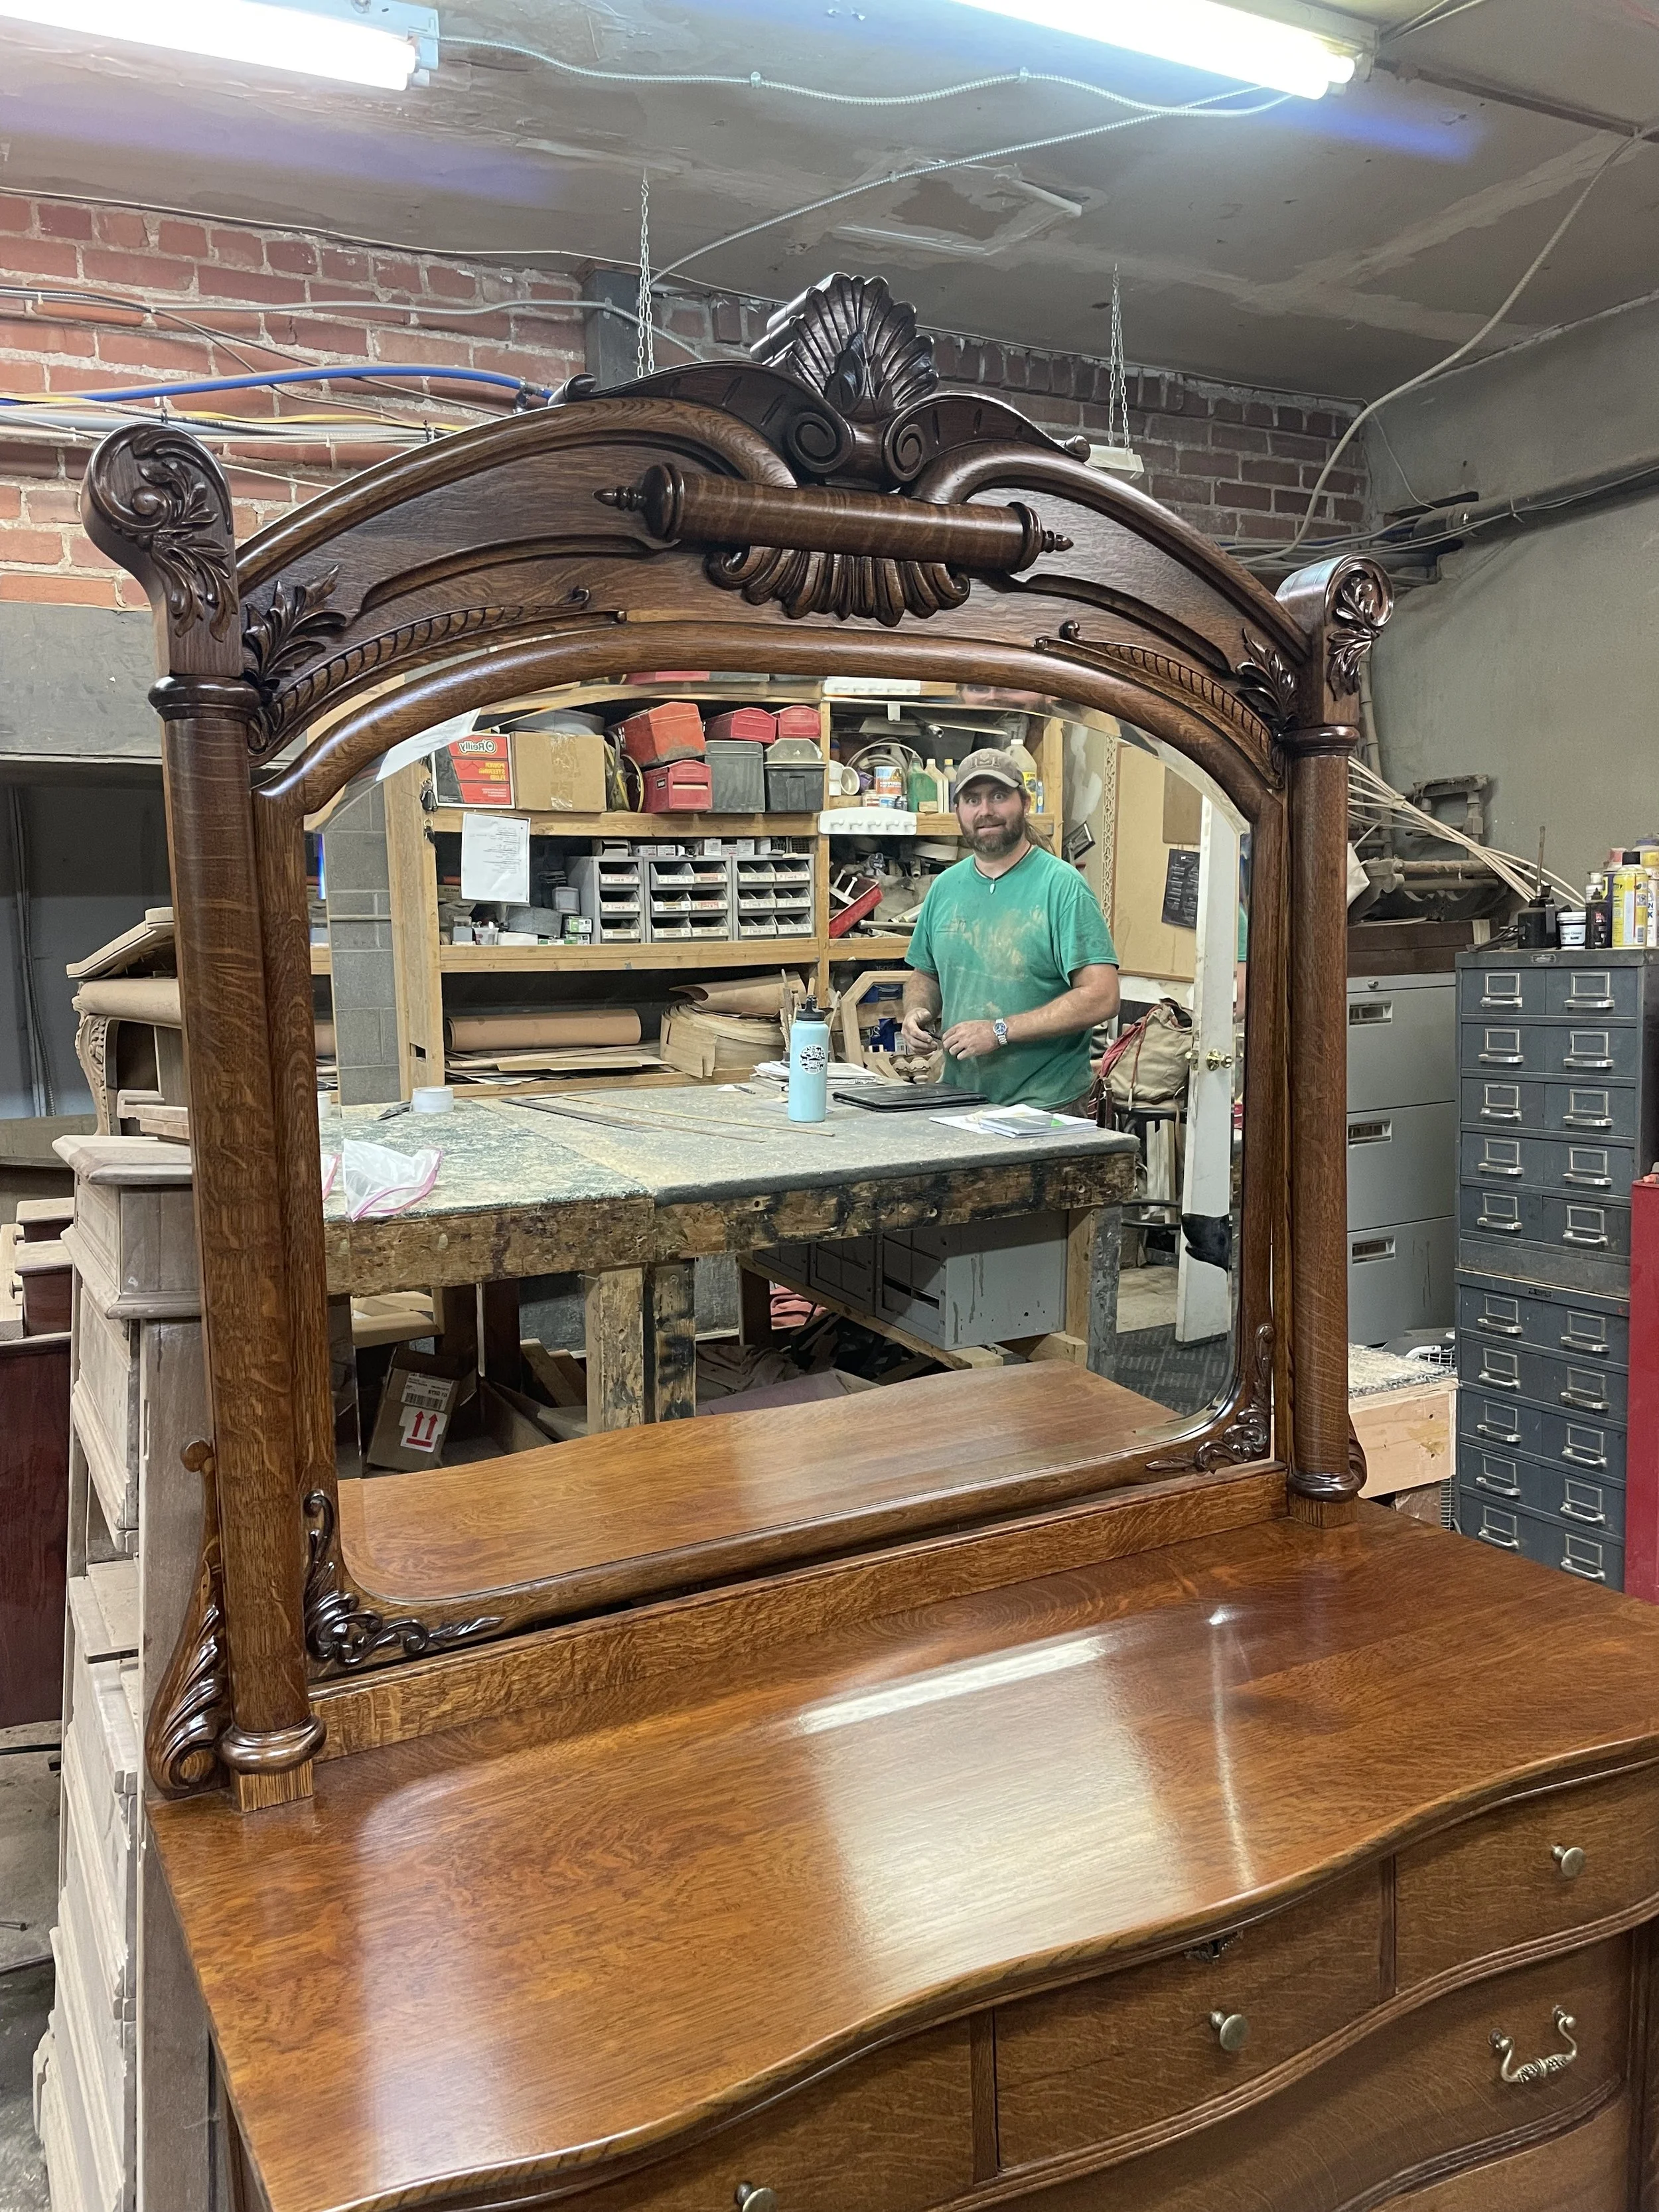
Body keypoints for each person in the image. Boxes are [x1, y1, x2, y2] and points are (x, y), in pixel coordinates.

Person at [901, 747, 1119, 1111]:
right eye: (972, 799)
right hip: (961, 1099)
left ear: (1025, 802)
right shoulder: (945, 888)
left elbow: (1102, 996)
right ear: (958, 811)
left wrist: (1000, 1031)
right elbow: (926, 974)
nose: (985, 811)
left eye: (998, 796)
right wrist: (916, 1013)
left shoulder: (1061, 887)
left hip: (1047, 1106)